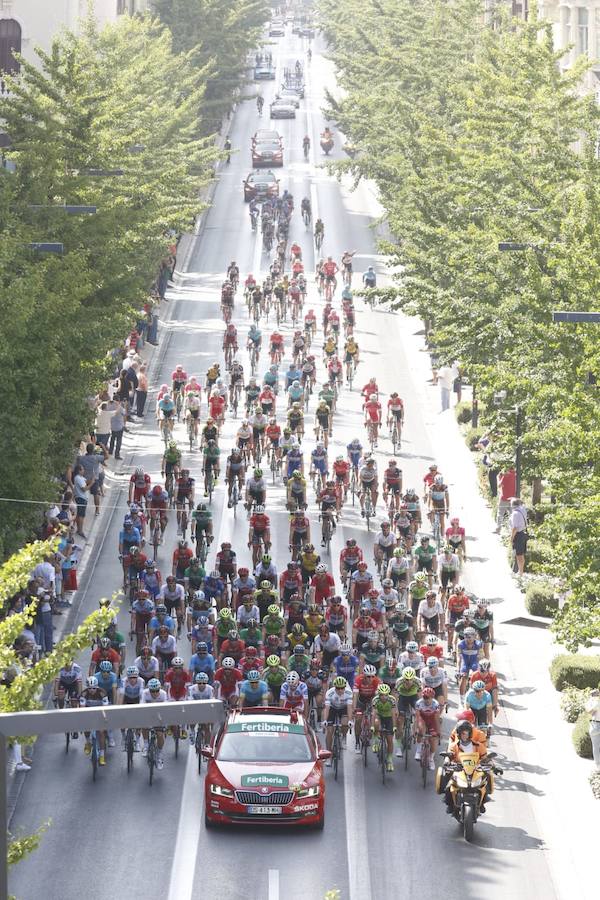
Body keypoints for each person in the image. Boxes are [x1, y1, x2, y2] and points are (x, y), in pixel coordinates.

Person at [323, 676, 353, 764]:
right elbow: (327, 708)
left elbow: (349, 708)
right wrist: (325, 720)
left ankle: (344, 737)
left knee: (345, 723)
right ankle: (328, 755)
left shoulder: (348, 693)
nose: (340, 690)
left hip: (343, 708)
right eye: (338, 688)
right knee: (329, 731)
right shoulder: (329, 693)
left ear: (345, 687)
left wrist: (350, 720)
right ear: (334, 687)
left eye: (342, 688)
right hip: (332, 708)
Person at [510, 497, 528, 575]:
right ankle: (520, 571)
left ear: (513, 505)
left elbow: (515, 528)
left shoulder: (515, 514)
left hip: (518, 535)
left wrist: (511, 538)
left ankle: (520, 572)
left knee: (519, 555)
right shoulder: (522, 510)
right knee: (520, 554)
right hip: (523, 533)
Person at [495, 467, 516, 532]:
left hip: (504, 498)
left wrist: (498, 478)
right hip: (512, 498)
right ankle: (511, 530)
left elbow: (499, 485)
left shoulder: (506, 475)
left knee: (500, 513)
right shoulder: (515, 475)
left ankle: (498, 528)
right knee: (512, 514)